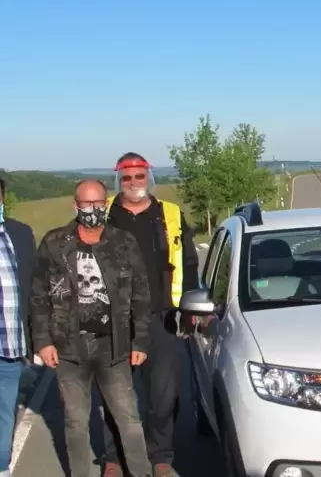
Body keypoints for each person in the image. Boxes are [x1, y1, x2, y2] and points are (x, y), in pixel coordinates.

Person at [29, 180, 152, 477]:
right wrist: (42, 341)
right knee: (75, 422)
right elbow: (37, 295)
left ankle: (141, 473)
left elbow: (141, 294)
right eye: (86, 204)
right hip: (69, 347)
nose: (93, 210)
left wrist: (141, 342)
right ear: (76, 206)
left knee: (129, 420)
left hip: (114, 345)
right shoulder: (54, 243)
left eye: (98, 203)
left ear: (105, 204)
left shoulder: (123, 243)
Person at [102, 152, 199, 477]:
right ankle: (114, 459)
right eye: (126, 178)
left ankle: (160, 457)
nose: (133, 183)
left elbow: (188, 263)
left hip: (162, 317)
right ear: (119, 181)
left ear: (149, 178)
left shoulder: (169, 214)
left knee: (163, 395)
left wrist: (191, 306)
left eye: (139, 176)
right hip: (113, 321)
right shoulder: (103, 216)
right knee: (115, 394)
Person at [0, 179, 36, 477]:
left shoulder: (20, 233)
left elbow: (34, 287)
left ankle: (1, 465)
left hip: (9, 344)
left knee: (4, 411)